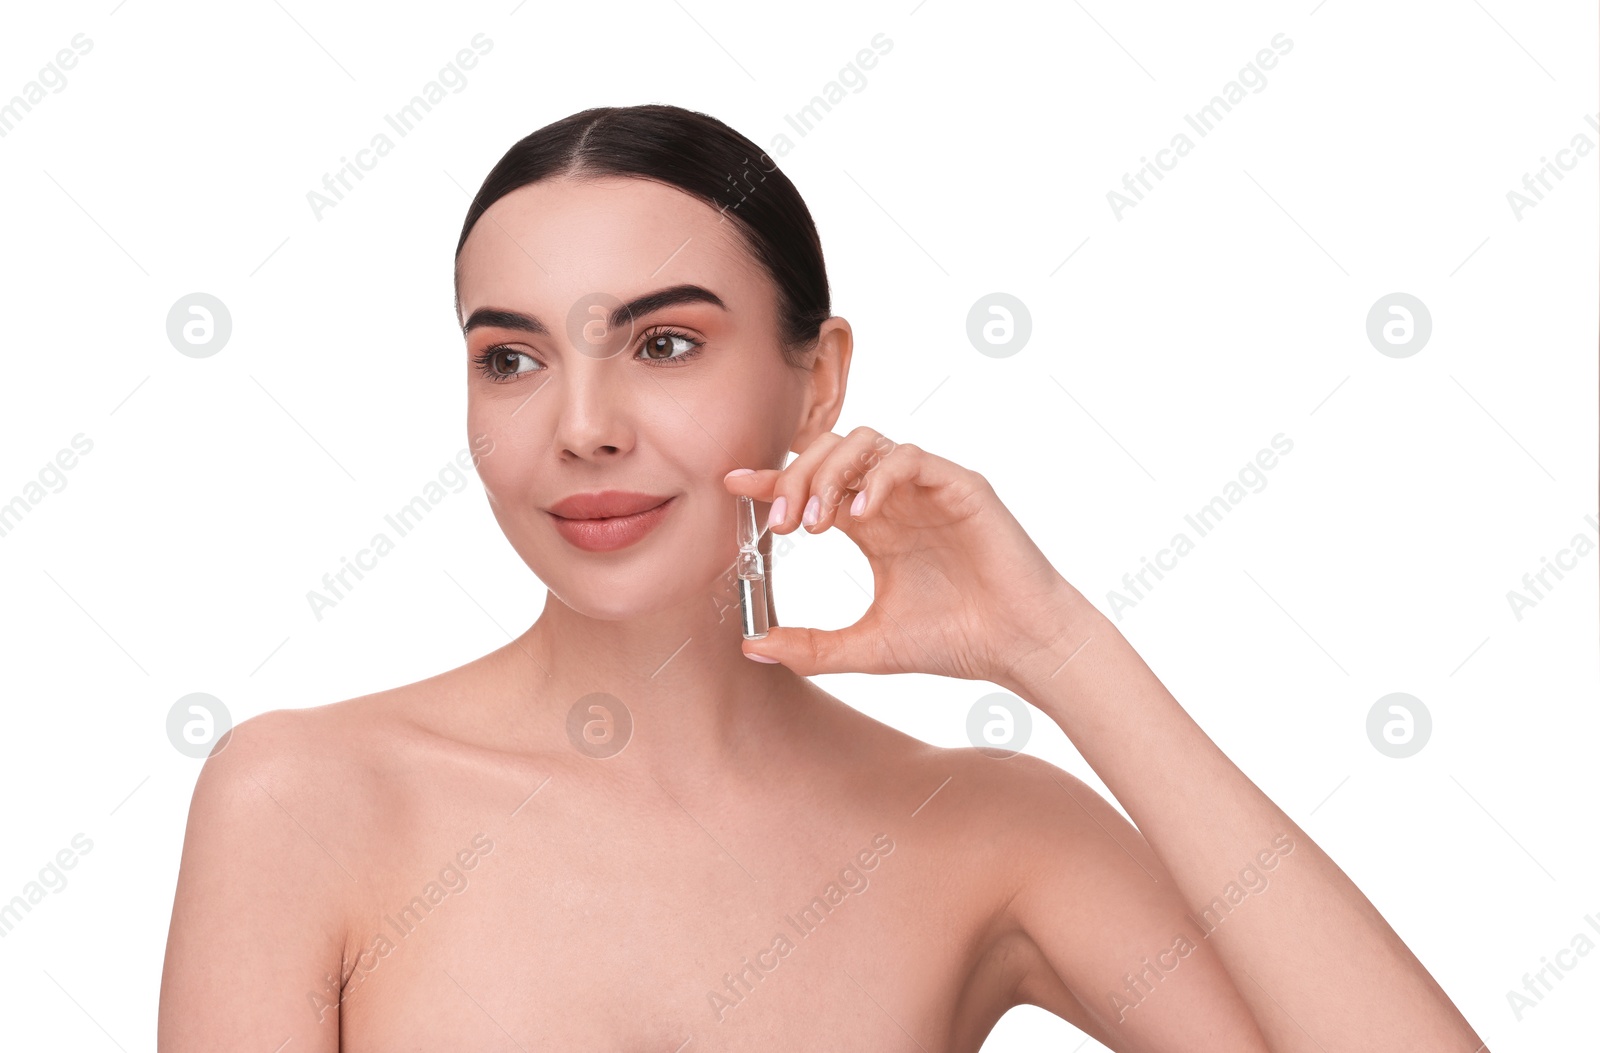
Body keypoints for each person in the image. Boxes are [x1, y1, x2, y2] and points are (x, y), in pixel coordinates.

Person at [157, 104, 1487, 1052]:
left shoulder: (990, 833)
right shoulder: (306, 800)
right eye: (511, 358)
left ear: (820, 376)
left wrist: (1058, 646)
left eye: (664, 342)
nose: (583, 426)